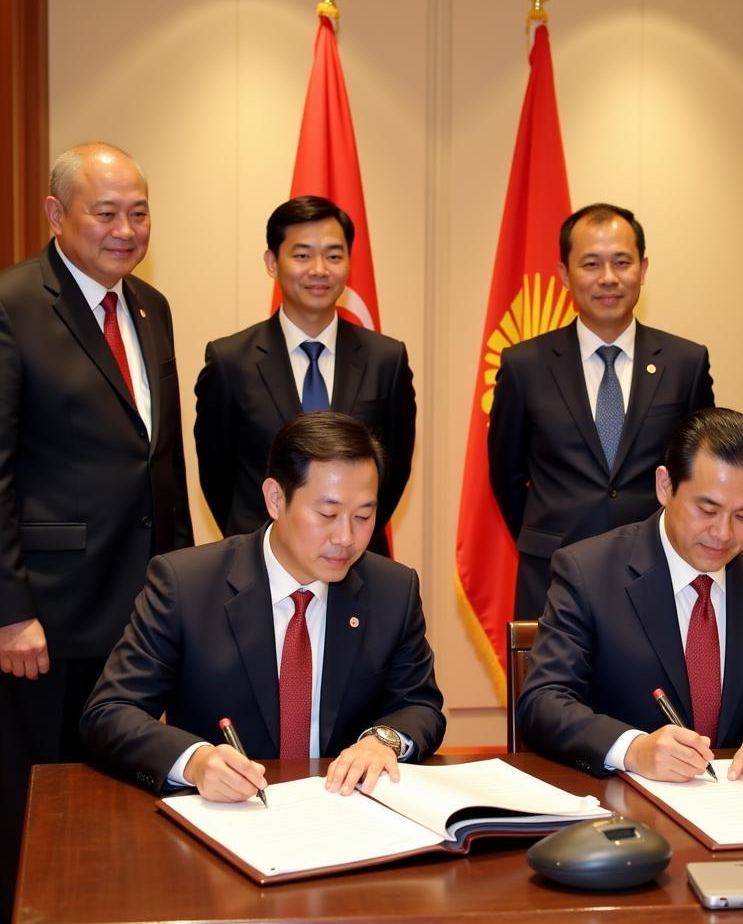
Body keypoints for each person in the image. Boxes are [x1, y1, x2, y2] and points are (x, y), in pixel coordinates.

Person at [0, 142, 193, 917]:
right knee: (33, 804)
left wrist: (183, 595)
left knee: (122, 797)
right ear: (56, 213)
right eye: (105, 212)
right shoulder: (13, 303)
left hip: (140, 609)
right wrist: (9, 610)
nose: (126, 229)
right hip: (46, 618)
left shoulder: (152, 307)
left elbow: (162, 459)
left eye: (138, 212)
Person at [81, 411, 445, 801]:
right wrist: (196, 761)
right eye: (327, 514)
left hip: (343, 814)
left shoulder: (392, 589)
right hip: (224, 819)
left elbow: (419, 705)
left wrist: (382, 741)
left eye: (363, 516)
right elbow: (110, 711)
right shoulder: (185, 583)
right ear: (275, 498)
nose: (346, 537)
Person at [517, 407, 743, 784]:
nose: (723, 533)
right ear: (665, 486)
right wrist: (633, 748)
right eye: (706, 509)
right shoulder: (589, 571)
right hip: (622, 806)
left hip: (740, 804)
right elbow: (543, 702)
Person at [488, 202, 715, 618]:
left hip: (658, 573)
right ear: (564, 274)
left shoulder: (685, 363)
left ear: (643, 269)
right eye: (591, 264)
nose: (608, 278)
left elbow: (698, 471)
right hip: (553, 573)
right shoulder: (524, 366)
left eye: (622, 262)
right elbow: (507, 475)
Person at [194, 195, 415, 557]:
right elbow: (218, 477)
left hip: (356, 560)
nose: (319, 269)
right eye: (301, 255)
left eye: (333, 255)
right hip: (258, 562)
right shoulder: (230, 361)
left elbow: (393, 471)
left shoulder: (386, 359)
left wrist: (351, 536)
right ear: (272, 262)